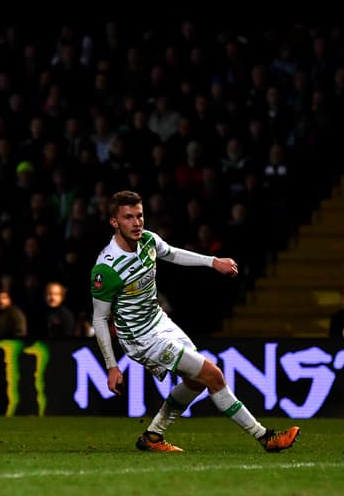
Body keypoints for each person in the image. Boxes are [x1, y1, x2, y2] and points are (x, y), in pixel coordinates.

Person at [90, 190, 299, 453]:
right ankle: (265, 437)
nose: (136, 222)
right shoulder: (107, 268)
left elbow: (174, 254)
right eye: (128, 217)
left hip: (159, 322)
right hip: (140, 338)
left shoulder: (148, 241)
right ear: (114, 222)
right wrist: (111, 366)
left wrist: (213, 262)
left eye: (140, 216)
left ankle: (153, 435)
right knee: (213, 374)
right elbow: (99, 318)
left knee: (197, 381)